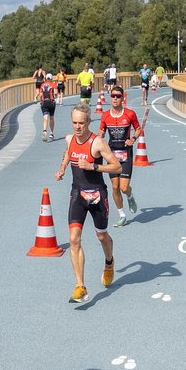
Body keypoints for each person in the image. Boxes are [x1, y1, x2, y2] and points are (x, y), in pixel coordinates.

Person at [55, 104, 122, 303]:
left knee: (101, 236)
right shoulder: (69, 139)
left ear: (89, 122)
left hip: (97, 195)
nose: (77, 127)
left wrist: (94, 166)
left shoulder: (97, 143)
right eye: (74, 123)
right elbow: (69, 152)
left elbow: (117, 166)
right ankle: (80, 286)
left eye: (81, 123)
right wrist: (62, 168)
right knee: (74, 239)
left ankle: (109, 262)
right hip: (78, 194)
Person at [97, 86, 144, 227]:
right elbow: (101, 131)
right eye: (113, 96)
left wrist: (133, 139)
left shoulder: (130, 114)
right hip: (112, 155)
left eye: (118, 96)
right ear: (110, 97)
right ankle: (122, 215)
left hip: (125, 154)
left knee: (123, 188)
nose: (115, 98)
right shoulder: (105, 115)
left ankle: (130, 195)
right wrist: (100, 136)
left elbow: (138, 128)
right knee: (115, 187)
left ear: (122, 98)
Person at [38, 75, 58, 141]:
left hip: (44, 103)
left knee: (45, 117)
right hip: (51, 103)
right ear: (51, 78)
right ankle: (51, 133)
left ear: (46, 78)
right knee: (51, 117)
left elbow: (40, 95)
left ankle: (44, 131)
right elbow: (56, 93)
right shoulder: (53, 85)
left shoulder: (42, 85)